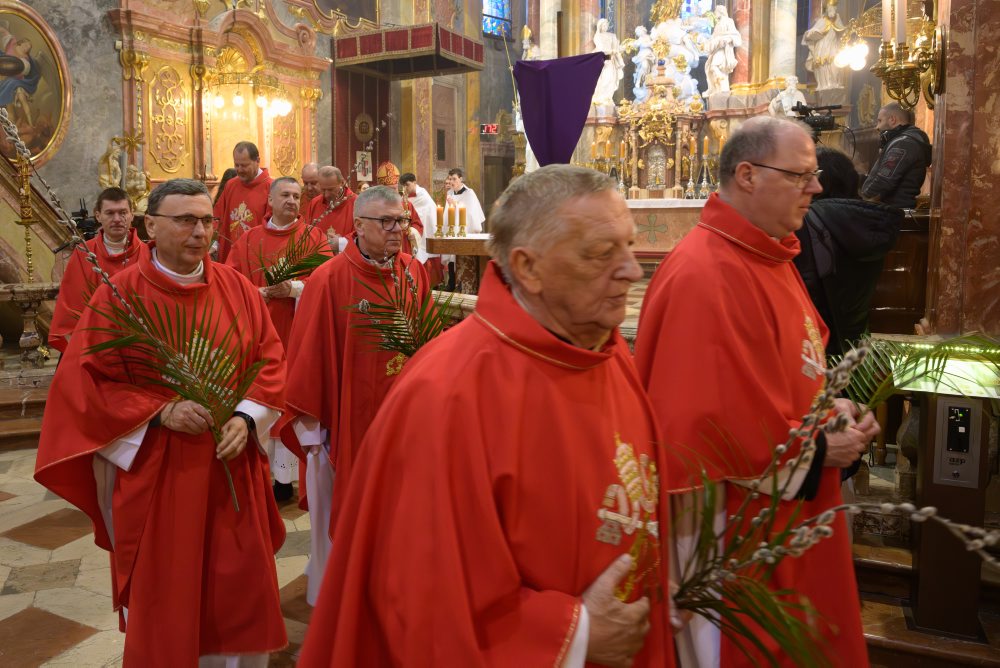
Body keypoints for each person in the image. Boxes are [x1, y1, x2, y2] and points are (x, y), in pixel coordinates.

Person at [298, 165, 675, 667]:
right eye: (602, 253)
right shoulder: (449, 394)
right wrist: (575, 635)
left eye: (628, 247)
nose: (631, 270)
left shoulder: (606, 354)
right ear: (528, 267)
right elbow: (423, 601)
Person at [634, 117, 878, 666]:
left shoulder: (767, 254)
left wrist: (831, 407)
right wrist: (818, 446)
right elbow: (700, 426)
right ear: (747, 175)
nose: (816, 187)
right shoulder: (703, 273)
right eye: (800, 175)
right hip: (732, 528)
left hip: (783, 510)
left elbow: (784, 371)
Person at [35, 178, 288, 665]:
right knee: (169, 593)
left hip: (231, 467)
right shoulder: (119, 296)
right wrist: (160, 410)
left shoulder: (238, 288)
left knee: (238, 591)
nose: (200, 232)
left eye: (207, 221)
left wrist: (247, 415)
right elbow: (84, 385)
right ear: (150, 225)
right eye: (186, 220)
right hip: (161, 474)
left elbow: (271, 358)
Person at [280, 185, 431, 605]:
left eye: (402, 220)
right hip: (343, 424)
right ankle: (340, 600)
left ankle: (394, 589)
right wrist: (315, 433)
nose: (398, 229)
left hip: (403, 420)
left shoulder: (413, 272)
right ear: (359, 226)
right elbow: (309, 356)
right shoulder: (329, 279)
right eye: (387, 221)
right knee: (342, 515)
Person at [226, 176, 331, 501]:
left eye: (296, 196)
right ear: (270, 201)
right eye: (285, 194)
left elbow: (328, 278)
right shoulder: (249, 239)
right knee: (264, 394)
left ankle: (285, 479)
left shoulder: (313, 237)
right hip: (257, 333)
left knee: (290, 398)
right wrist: (256, 293)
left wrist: (294, 289)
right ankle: (263, 474)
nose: (292, 200)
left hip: (298, 331)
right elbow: (230, 280)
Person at [795, 146, 904, 356]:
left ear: (820, 181)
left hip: (817, 347)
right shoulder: (868, 220)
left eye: (807, 176)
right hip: (855, 345)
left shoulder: (808, 221)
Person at [49, 187, 149, 353]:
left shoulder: (147, 254)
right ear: (98, 216)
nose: (117, 219)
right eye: (110, 213)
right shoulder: (83, 253)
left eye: (123, 212)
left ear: (132, 215)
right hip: (94, 345)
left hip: (140, 346)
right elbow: (72, 305)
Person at [861, 102, 932, 209]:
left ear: (892, 120)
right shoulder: (906, 141)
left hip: (889, 211)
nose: (877, 127)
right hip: (891, 209)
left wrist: (861, 201)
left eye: (880, 121)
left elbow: (884, 181)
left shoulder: (903, 144)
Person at [213, 141, 272, 262]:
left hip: (255, 255)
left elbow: (271, 226)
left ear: (257, 161)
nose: (239, 170)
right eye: (236, 165)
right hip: (229, 252)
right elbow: (218, 216)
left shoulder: (271, 188)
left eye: (244, 165)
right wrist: (214, 243)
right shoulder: (231, 185)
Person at [305, 165, 356, 253]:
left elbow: (363, 240)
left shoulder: (357, 203)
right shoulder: (314, 203)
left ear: (342, 183)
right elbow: (306, 233)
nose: (326, 195)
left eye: (331, 189)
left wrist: (341, 243)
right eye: (323, 190)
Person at [802, 0, 847, 91]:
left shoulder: (837, 19)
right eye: (829, 8)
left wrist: (848, 30)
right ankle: (823, 84)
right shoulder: (822, 21)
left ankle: (834, 83)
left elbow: (843, 31)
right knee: (822, 64)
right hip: (822, 46)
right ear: (826, 10)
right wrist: (814, 33)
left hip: (833, 46)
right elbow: (809, 34)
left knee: (835, 64)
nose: (831, 10)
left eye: (833, 8)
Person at [705, 5, 742, 96]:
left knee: (714, 66)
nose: (715, 13)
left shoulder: (729, 21)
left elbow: (735, 35)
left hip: (723, 50)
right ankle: (718, 89)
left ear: (720, 11)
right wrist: (709, 44)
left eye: (716, 11)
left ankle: (722, 88)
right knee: (711, 68)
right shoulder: (718, 24)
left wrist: (726, 40)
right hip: (716, 48)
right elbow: (714, 37)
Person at [591, 18, 624, 106]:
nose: (605, 27)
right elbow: (600, 49)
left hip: (611, 61)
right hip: (602, 61)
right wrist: (612, 51)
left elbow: (616, 47)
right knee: (602, 80)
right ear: (600, 26)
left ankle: (608, 98)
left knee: (610, 79)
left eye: (606, 25)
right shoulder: (598, 36)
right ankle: (601, 98)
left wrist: (619, 49)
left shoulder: (612, 35)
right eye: (603, 25)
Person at [445, 167, 485, 233]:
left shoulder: (469, 193)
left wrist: (455, 205)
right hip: (452, 230)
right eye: (450, 179)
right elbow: (446, 215)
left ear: (460, 179)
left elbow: (471, 214)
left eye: (454, 179)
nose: (451, 182)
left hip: (467, 231)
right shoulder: (449, 193)